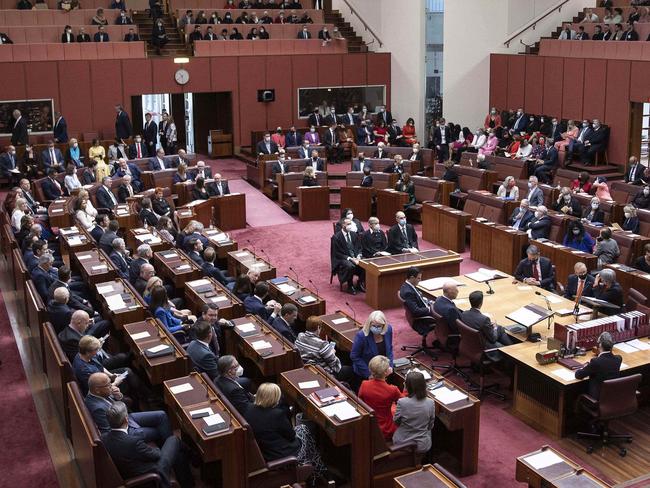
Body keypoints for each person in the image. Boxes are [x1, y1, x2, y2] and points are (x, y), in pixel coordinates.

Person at [101, 402, 194, 488]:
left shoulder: (104, 438)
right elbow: (156, 455)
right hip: (153, 470)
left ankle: (189, 477)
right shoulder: (132, 442)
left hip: (130, 469)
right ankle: (192, 456)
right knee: (174, 440)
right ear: (126, 419)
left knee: (178, 452)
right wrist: (159, 448)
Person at [243, 383, 326, 479]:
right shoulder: (277, 414)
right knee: (304, 430)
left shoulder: (248, 408)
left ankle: (316, 467)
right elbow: (291, 436)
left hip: (265, 450)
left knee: (302, 430)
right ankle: (316, 470)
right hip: (280, 455)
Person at [358, 355, 403, 439]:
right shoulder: (392, 389)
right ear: (385, 372)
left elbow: (360, 402)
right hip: (386, 428)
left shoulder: (364, 384)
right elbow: (405, 403)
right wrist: (407, 388)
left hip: (369, 424)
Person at [393, 371, 436, 455]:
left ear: (407, 386)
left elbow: (396, 421)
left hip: (402, 442)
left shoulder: (402, 402)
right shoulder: (431, 402)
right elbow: (430, 425)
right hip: (422, 445)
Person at [295, 316, 351, 381]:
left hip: (308, 366)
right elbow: (335, 366)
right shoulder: (322, 344)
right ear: (318, 328)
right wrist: (332, 353)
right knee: (350, 369)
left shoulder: (300, 336)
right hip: (323, 374)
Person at [575, 332, 621, 399]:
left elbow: (578, 375)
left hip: (598, 398)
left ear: (600, 346)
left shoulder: (596, 362)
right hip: (613, 396)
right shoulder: (618, 359)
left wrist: (585, 367)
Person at [350, 311, 394, 380]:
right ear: (369, 324)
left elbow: (390, 349)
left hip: (384, 372)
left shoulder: (388, 330)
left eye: (379, 326)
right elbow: (354, 356)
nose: (376, 328)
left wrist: (390, 366)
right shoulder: (362, 336)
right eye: (373, 325)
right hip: (365, 373)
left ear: (384, 325)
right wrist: (369, 374)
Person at [332, 217, 365, 294]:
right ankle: (350, 285)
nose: (350, 226)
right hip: (342, 258)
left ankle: (360, 283)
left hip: (355, 256)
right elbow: (337, 253)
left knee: (366, 262)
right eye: (348, 224)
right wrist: (350, 258)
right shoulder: (336, 237)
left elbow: (359, 247)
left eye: (351, 224)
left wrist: (359, 256)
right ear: (343, 225)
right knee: (350, 266)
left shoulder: (354, 234)